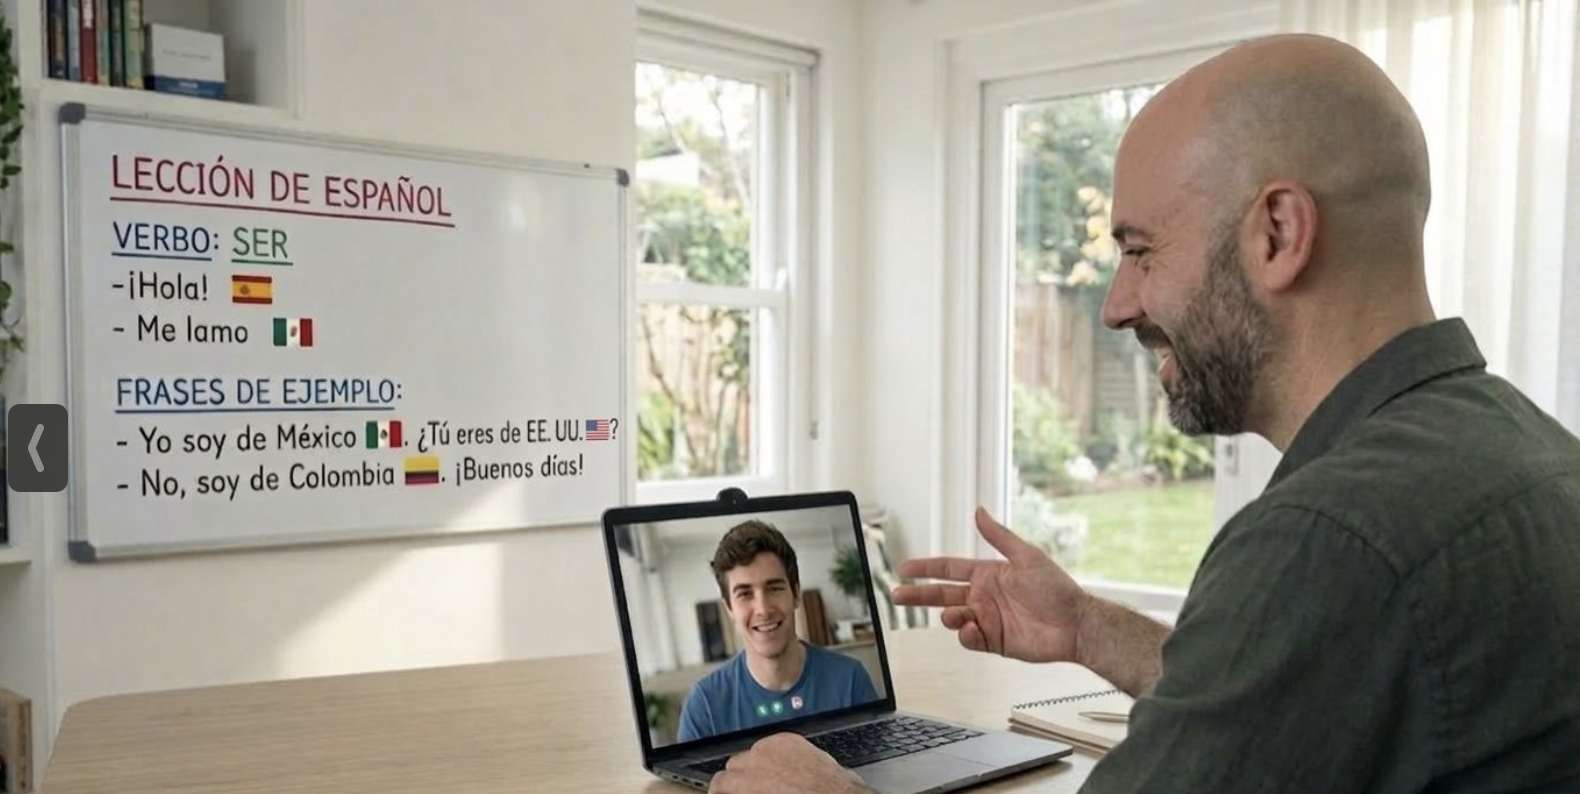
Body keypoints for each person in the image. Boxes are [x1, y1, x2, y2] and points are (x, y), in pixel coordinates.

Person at [704, 33, 1580, 794]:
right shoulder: (1533, 456)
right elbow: (1312, 707)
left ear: (1278, 232)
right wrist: (1087, 627)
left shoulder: (1335, 536)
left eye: (1140, 250)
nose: (1117, 306)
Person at [676, 520, 880, 744]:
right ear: (729, 609)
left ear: (796, 594)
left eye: (774, 588)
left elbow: (876, 775)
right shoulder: (704, 704)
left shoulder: (849, 679)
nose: (763, 609)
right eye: (744, 594)